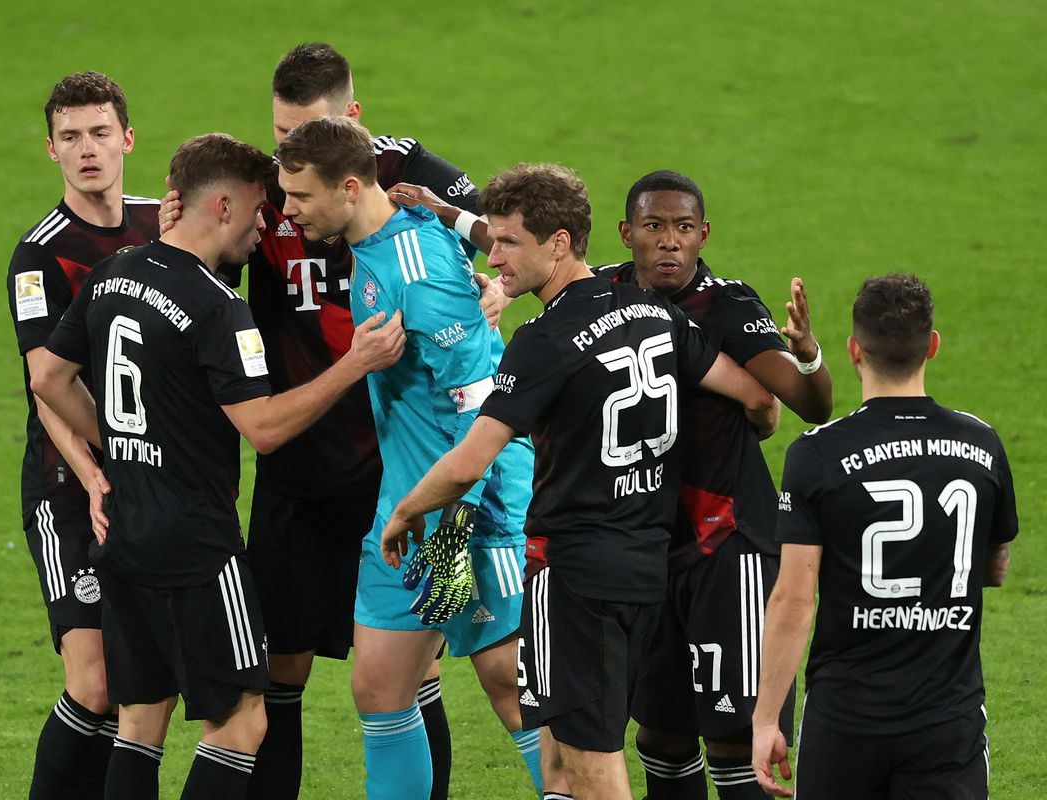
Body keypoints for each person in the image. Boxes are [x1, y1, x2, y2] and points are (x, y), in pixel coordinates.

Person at [158, 42, 511, 799]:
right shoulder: (296, 196)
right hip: (327, 477)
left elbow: (502, 257)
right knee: (325, 678)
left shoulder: (411, 200)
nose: (288, 167)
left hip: (426, 489)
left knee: (463, 677)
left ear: (352, 130)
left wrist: (493, 289)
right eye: (281, 135)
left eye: (306, 138)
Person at [380, 163, 779, 800]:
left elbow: (466, 465)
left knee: (594, 765)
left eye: (509, 242)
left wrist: (404, 512)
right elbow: (758, 399)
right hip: (646, 569)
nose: (496, 256)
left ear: (559, 244)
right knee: (562, 759)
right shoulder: (652, 310)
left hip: (573, 579)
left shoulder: (543, 340)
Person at [30, 132, 405, 800]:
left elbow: (52, 381)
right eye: (261, 210)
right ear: (225, 207)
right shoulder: (218, 308)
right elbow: (262, 430)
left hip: (122, 531)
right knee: (241, 726)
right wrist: (355, 363)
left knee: (140, 724)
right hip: (198, 547)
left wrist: (119, 443)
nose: (267, 227)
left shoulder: (115, 273)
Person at [276, 117, 542, 800]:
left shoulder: (414, 274)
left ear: (350, 186)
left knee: (507, 683)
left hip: (466, 513)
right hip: (409, 511)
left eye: (300, 197)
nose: (288, 211)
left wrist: (449, 534)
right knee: (380, 688)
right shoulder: (376, 238)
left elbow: (480, 408)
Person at [591, 170, 832, 800]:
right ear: (627, 234)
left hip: (729, 547)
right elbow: (530, 242)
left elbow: (809, 406)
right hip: (644, 547)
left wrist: (807, 354)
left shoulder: (726, 306)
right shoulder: (598, 297)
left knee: (737, 735)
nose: (669, 241)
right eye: (653, 226)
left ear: (703, 235)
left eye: (682, 228)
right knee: (661, 733)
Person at [752, 274, 1018, 799]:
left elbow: (794, 600)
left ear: (854, 351)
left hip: (846, 722)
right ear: (933, 346)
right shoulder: (982, 444)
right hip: (948, 721)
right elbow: (996, 568)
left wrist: (765, 721)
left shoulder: (817, 454)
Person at [5, 71, 160, 799]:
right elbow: (48, 391)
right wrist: (101, 471)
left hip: (153, 482)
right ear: (51, 150)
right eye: (71, 137)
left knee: (138, 692)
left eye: (100, 132)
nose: (87, 149)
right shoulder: (39, 256)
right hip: (71, 488)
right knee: (95, 683)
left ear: (127, 138)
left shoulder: (165, 223)